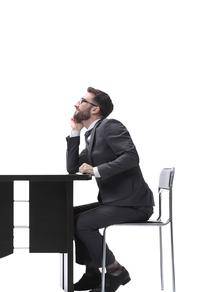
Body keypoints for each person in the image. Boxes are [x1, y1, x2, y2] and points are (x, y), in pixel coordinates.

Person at [65, 87, 153, 292]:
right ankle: (92, 273)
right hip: (116, 201)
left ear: (95, 109)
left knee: (84, 223)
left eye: (82, 101)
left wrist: (96, 170)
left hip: (134, 204)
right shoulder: (93, 134)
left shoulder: (110, 127)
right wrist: (75, 132)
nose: (76, 104)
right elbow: (71, 168)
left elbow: (131, 157)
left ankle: (116, 272)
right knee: (69, 215)